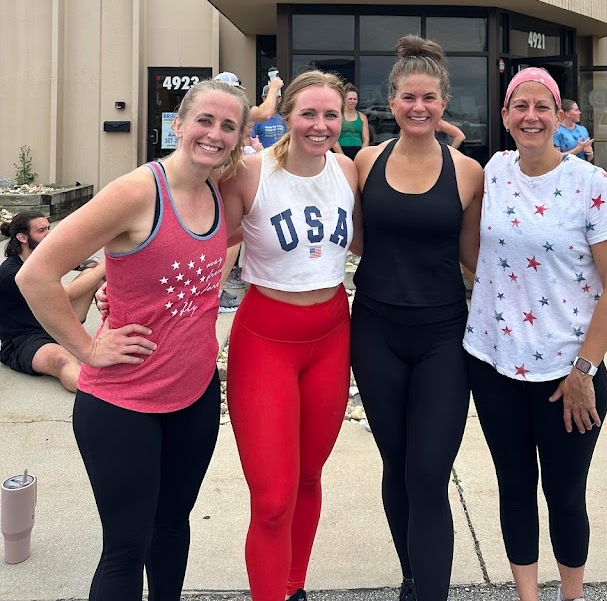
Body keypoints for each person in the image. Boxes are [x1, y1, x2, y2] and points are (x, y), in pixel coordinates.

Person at [17, 77, 250, 601]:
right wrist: (86, 348)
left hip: (194, 397)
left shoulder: (219, 191)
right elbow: (35, 276)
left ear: (238, 137)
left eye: (228, 125)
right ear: (179, 125)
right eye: (204, 121)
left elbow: (200, 262)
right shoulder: (137, 191)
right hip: (123, 404)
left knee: (172, 528)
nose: (214, 134)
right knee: (126, 548)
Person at [464, 67, 607, 601]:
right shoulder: (494, 171)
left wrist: (585, 370)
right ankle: (527, 595)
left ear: (559, 116)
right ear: (505, 116)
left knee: (565, 495)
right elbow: (473, 251)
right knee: (514, 487)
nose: (531, 116)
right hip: (494, 365)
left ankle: (572, 594)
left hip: (567, 373)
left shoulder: (591, 183)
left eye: (542, 107)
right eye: (520, 106)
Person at [351, 36, 484, 601]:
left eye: (429, 98)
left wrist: (592, 255)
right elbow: (352, 238)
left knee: (428, 472)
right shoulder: (365, 162)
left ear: (443, 103)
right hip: (375, 330)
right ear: (392, 101)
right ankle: (412, 576)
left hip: (443, 337)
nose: (419, 107)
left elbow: (478, 258)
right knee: (397, 462)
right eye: (408, 97)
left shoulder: (468, 172)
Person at [219, 70, 359, 601]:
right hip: (266, 339)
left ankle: (293, 585)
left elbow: (371, 240)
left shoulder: (347, 170)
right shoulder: (251, 174)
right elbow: (210, 241)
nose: (320, 125)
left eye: (330, 114)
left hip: (331, 335)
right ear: (287, 116)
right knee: (273, 499)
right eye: (308, 114)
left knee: (309, 477)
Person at [0, 211, 105, 391]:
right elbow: (65, 294)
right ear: (22, 238)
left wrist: (96, 266)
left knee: (94, 275)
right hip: (25, 339)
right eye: (41, 231)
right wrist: (106, 265)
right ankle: (102, 393)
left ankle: (121, 329)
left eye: (48, 228)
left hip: (53, 324)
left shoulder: (41, 258)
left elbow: (84, 263)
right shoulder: (12, 273)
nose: (49, 234)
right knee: (62, 360)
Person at [214, 70, 284, 126]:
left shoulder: (209, 106)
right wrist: (273, 88)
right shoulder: (236, 109)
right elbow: (264, 114)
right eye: (234, 90)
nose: (237, 94)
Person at [333, 83, 370, 159]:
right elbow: (333, 138)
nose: (352, 101)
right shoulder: (337, 116)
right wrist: (342, 156)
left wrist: (361, 155)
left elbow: (366, 139)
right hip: (340, 152)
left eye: (355, 99)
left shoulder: (362, 117)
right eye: (350, 99)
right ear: (344, 100)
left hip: (358, 152)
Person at [251, 84, 288, 151]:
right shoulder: (257, 119)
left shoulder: (282, 120)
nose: (271, 100)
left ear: (279, 99)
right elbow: (249, 140)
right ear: (263, 98)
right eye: (267, 97)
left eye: (274, 97)